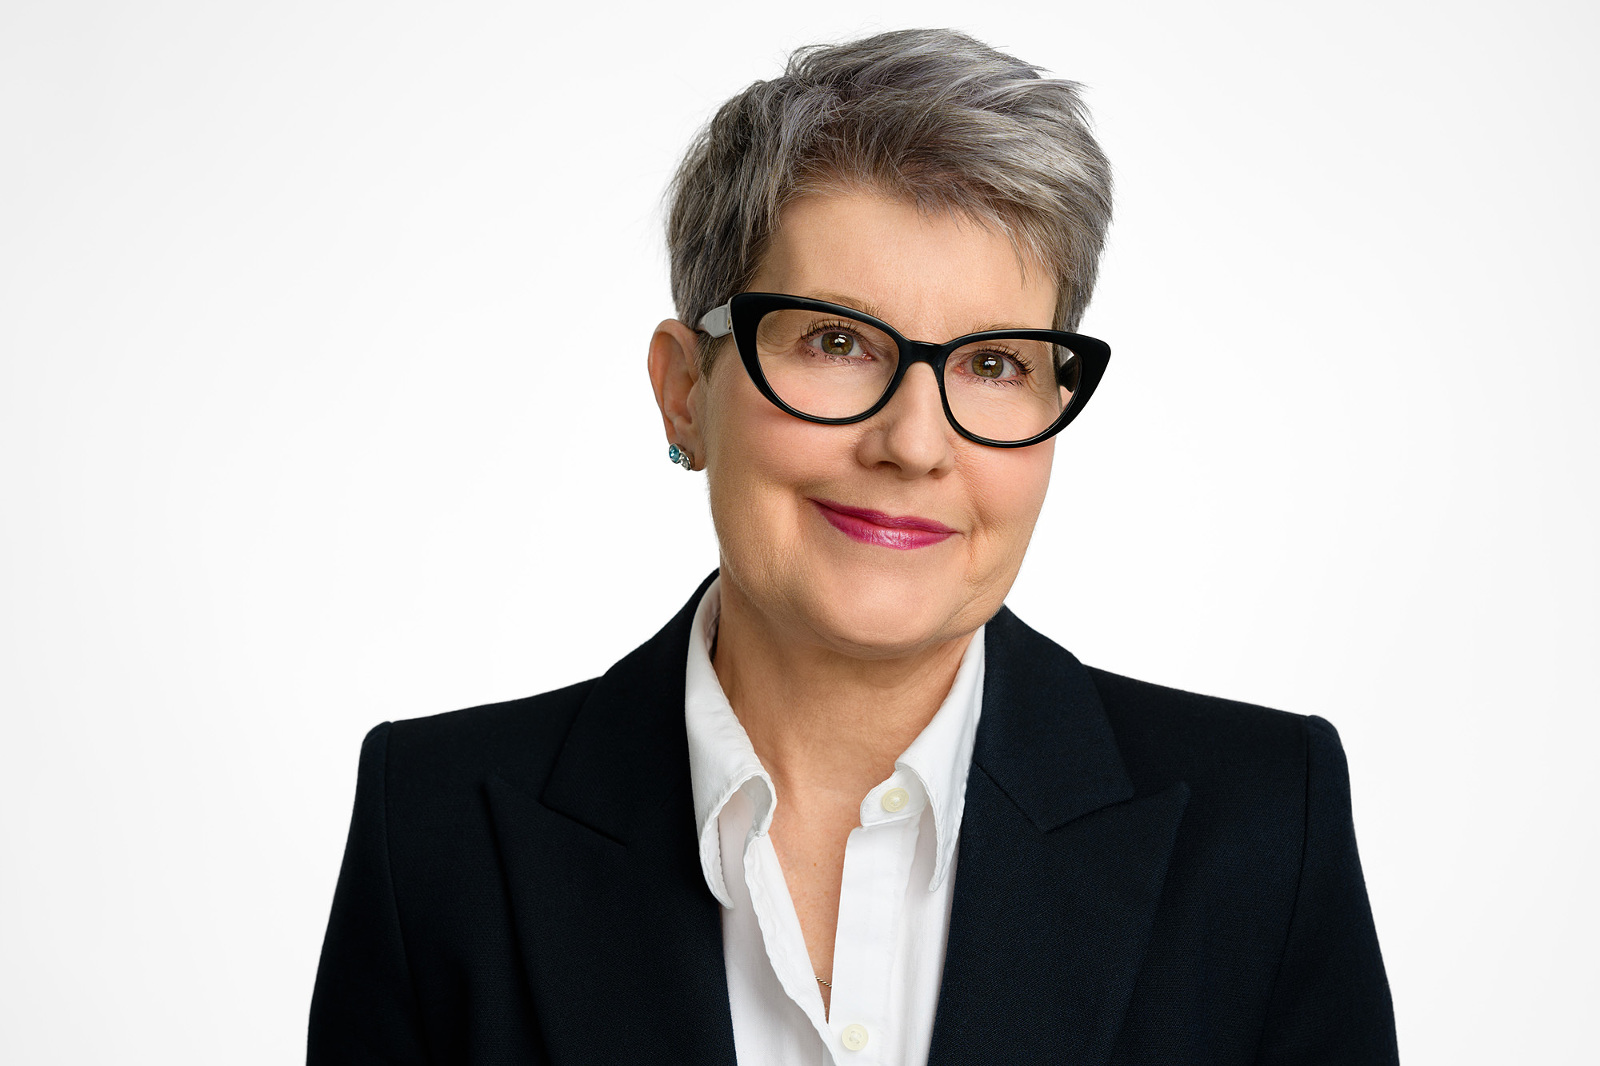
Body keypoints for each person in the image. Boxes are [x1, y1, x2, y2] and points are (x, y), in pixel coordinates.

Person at [308, 28, 1398, 1065]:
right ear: (685, 392)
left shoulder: (1262, 829)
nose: (915, 442)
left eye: (997, 364)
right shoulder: (436, 833)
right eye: (836, 341)